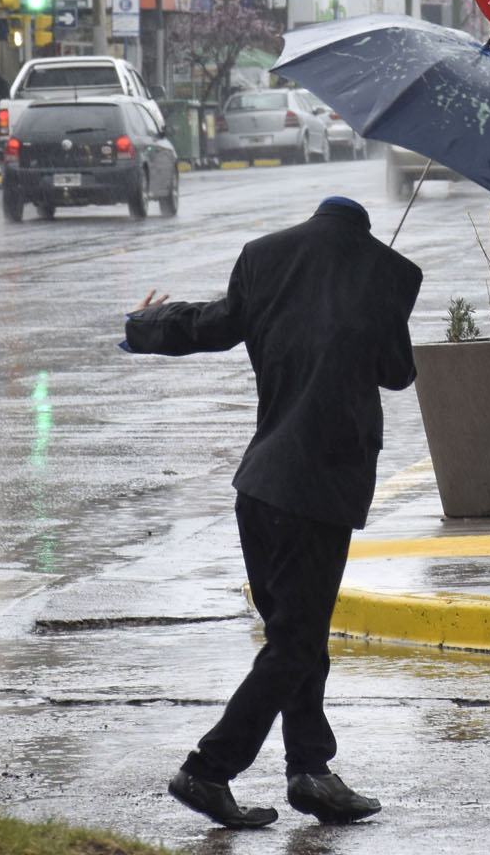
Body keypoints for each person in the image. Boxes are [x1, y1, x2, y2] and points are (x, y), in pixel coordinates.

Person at [121, 196, 422, 829]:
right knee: (294, 643)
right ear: (361, 228)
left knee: (299, 638)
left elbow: (210, 324)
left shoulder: (264, 257)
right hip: (321, 492)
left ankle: (311, 772)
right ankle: (209, 770)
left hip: (259, 488)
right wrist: (381, 301)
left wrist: (143, 326)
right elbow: (397, 373)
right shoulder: (390, 273)